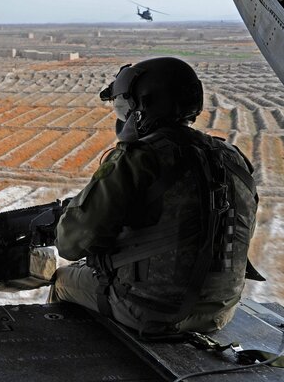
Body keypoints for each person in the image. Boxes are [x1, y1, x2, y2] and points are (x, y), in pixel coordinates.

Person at [49, 57, 260, 335]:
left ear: (143, 106)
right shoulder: (231, 157)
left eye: (125, 106)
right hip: (219, 311)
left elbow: (71, 244)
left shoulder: (139, 158)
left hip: (151, 309)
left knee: (63, 279)